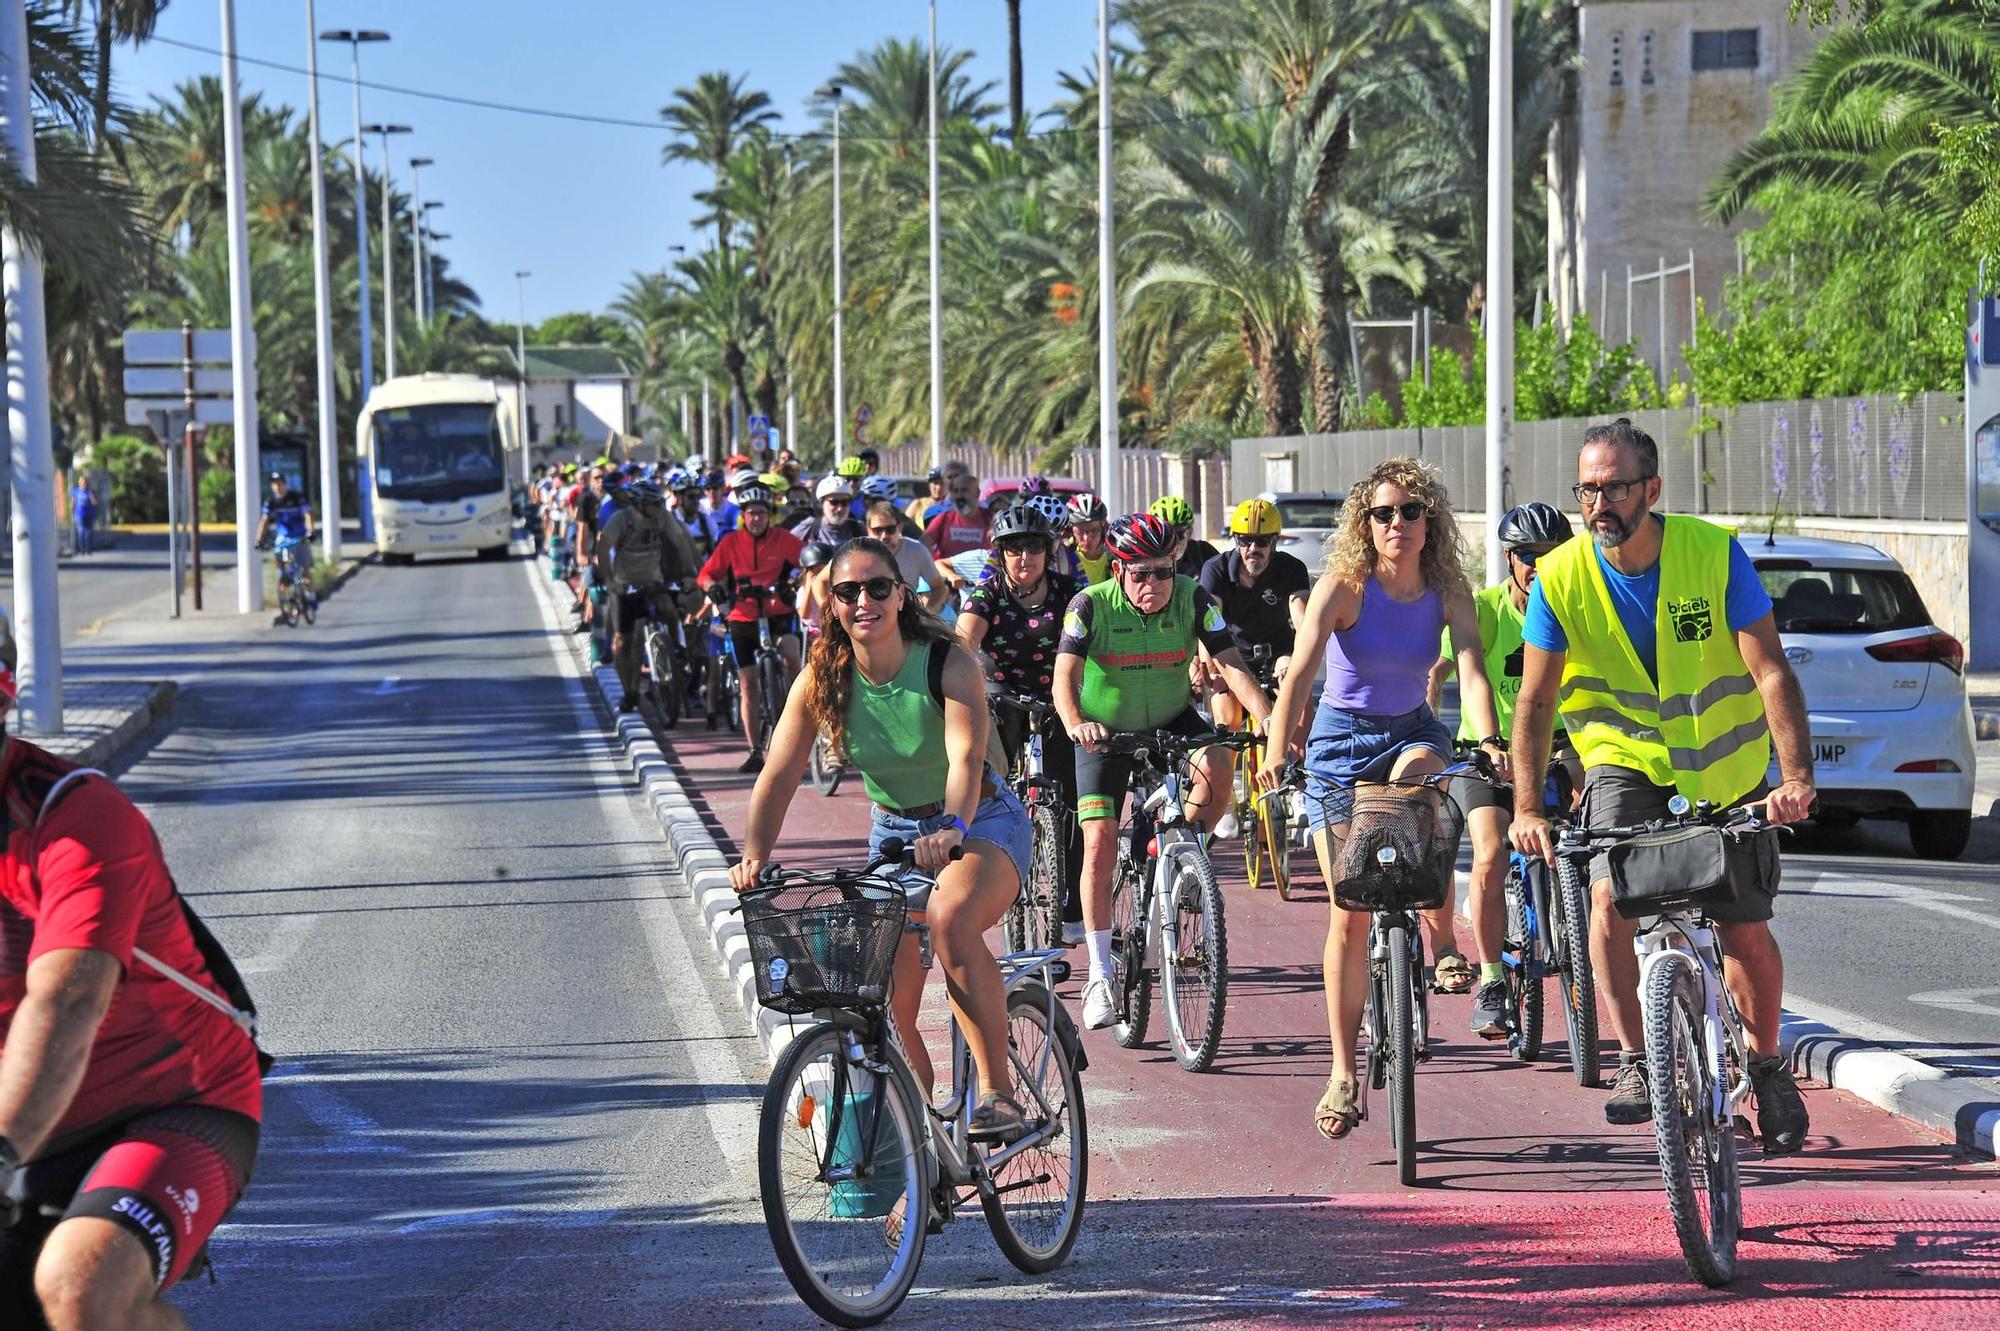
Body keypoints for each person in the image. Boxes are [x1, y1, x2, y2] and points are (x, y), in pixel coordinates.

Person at [1510, 419, 1813, 1149]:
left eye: (1613, 486)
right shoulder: (1562, 576)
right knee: (1609, 901)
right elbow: (1536, 702)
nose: (1598, 503)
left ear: (1651, 488)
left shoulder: (1712, 554)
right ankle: (1638, 1059)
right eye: (1586, 489)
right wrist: (1526, 807)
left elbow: (1769, 667)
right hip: (1627, 764)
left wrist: (1796, 774)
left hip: (1727, 769)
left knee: (1742, 925)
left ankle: (1768, 1066)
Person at [730, 538, 1035, 1139]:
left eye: (876, 588)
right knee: (882, 1001)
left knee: (950, 921)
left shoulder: (945, 660)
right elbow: (779, 773)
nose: (863, 601)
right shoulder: (824, 676)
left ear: (902, 594)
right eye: (848, 592)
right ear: (833, 606)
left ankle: (998, 1094)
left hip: (980, 822)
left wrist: (952, 826)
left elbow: (966, 758)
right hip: (895, 834)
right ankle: (923, 1157)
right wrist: (753, 857)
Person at [1258, 457, 1509, 1140]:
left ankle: (1441, 936)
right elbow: (1300, 677)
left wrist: (1486, 738)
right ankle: (1342, 1071)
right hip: (1339, 745)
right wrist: (1279, 755)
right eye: (1382, 513)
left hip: (1411, 732)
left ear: (1431, 520)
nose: (1396, 523)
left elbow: (1474, 671)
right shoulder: (1345, 586)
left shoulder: (1449, 590)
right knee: (1348, 911)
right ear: (1365, 524)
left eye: (1409, 511)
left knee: (1422, 784)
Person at [0, 680, 263, 1329]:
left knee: (81, 1288)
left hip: (172, 1105)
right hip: (24, 1119)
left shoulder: (72, 814)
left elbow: (69, 998)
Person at [1056, 513, 1274, 1030]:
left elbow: (1231, 663)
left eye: (1162, 570)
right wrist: (1076, 723)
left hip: (1173, 721)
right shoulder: (1089, 605)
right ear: (1117, 569)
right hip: (1104, 731)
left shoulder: (1193, 598)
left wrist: (1267, 717)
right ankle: (1100, 974)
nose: (1152, 583)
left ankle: (1188, 856)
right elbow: (1064, 674)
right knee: (1100, 840)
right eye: (1139, 573)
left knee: (1220, 763)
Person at [1424, 501, 1579, 1038]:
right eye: (1529, 557)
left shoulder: (1574, 609)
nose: (1540, 568)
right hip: (1482, 755)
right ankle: (1491, 980)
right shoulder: (1486, 610)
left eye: (1552, 556)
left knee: (1579, 855)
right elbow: (1445, 669)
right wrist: (1431, 725)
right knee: (1489, 854)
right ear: (1510, 559)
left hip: (1557, 749)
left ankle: (1579, 952)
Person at [957, 504, 1086, 944]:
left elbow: (1098, 635)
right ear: (1001, 554)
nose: (1023, 556)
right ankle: (990, 865)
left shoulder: (1071, 590)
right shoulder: (988, 593)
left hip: (1060, 698)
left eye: (1032, 546)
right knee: (989, 779)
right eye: (1013, 548)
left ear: (1049, 551)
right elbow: (963, 639)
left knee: (1070, 800)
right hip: (1004, 694)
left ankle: (1070, 908)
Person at [1199, 498, 1311, 834]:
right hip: (1230, 656)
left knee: (1303, 704)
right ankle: (1231, 789)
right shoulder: (1216, 570)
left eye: (1262, 541)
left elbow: (1302, 619)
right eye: (1244, 540)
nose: (1253, 549)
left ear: (1275, 541)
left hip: (1278, 654)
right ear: (1235, 541)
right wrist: (1213, 671)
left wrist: (1299, 658)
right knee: (1227, 719)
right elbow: (1208, 626)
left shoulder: (1291, 569)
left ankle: (1295, 778)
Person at [695, 483, 805, 774]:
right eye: (751, 513)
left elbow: (809, 563)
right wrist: (713, 590)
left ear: (770, 515)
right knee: (748, 684)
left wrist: (793, 581)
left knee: (792, 653)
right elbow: (707, 574)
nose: (756, 518)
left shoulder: (784, 540)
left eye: (761, 513)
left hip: (777, 613)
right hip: (743, 617)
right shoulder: (731, 542)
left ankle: (800, 711)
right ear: (743, 515)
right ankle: (756, 749)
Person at [597, 481, 687, 713]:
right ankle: (630, 690)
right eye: (654, 504)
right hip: (625, 586)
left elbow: (680, 542)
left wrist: (689, 573)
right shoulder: (621, 520)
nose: (659, 507)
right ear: (640, 505)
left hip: (652, 581)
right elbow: (603, 548)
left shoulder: (662, 517)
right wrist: (610, 580)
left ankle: (676, 647)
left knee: (668, 607)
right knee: (625, 642)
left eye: (660, 503)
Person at [862, 500, 947, 613]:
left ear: (900, 528)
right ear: (868, 530)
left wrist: (926, 615)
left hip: (905, 617)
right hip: (869, 616)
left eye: (890, 529)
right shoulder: (858, 551)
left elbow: (939, 588)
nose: (884, 536)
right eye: (877, 530)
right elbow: (830, 576)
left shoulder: (916, 550)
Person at [254, 472, 317, 606]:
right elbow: (264, 521)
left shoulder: (297, 498)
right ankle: (284, 587)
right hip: (283, 539)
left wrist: (311, 531)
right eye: (274, 484)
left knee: (305, 569)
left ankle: (310, 596)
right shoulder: (271, 503)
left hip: (300, 537)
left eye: (280, 484)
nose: (277, 487)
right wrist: (259, 540)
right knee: (281, 561)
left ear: (284, 484)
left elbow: (307, 514)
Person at [924, 472, 991, 559]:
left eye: (964, 490)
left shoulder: (989, 520)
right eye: (956, 491)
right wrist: (934, 563)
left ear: (977, 493)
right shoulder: (944, 519)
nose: (959, 496)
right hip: (948, 571)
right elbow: (923, 545)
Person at [1148, 496, 1218, 580]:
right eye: (1164, 535)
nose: (1172, 542)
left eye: (1179, 534)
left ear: (1189, 533)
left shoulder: (1203, 553)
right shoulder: (1143, 558)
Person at [795, 475, 864, 548]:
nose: (839, 508)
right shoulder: (808, 527)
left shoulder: (859, 529)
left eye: (845, 502)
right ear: (821, 503)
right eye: (834, 502)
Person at [1063, 493, 1112, 584]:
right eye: (1080, 532)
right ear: (1071, 530)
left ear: (1103, 528)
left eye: (1094, 531)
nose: (1087, 538)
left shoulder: (1114, 555)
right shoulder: (1064, 556)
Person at [71, 479, 96, 558]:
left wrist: (91, 494)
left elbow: (94, 502)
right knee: (81, 532)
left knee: (88, 533)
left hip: (89, 515)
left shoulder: (89, 492)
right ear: (79, 483)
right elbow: (73, 502)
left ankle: (88, 550)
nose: (83, 484)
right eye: (82, 482)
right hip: (79, 515)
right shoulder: (76, 491)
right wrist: (72, 513)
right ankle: (82, 550)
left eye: (85, 482)